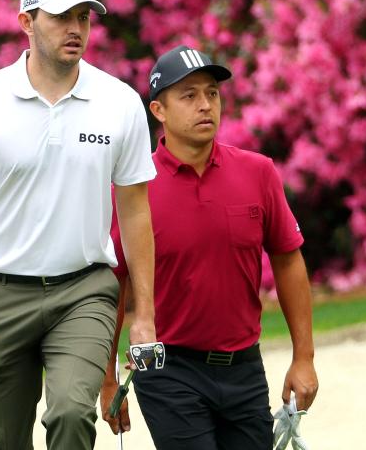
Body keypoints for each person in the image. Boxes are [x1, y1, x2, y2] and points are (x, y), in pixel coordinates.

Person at [0, 0, 157, 450]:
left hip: (85, 292)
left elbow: (134, 212)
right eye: (60, 18)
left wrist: (144, 313)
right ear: (26, 23)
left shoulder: (120, 103)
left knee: (72, 414)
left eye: (83, 18)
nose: (75, 29)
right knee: (2, 441)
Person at [100, 45, 319, 449]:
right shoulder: (133, 188)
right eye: (189, 95)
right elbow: (114, 285)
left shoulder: (258, 172)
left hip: (244, 368)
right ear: (159, 111)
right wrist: (108, 377)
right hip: (168, 370)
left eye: (212, 93)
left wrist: (303, 357)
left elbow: (288, 260)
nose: (205, 105)